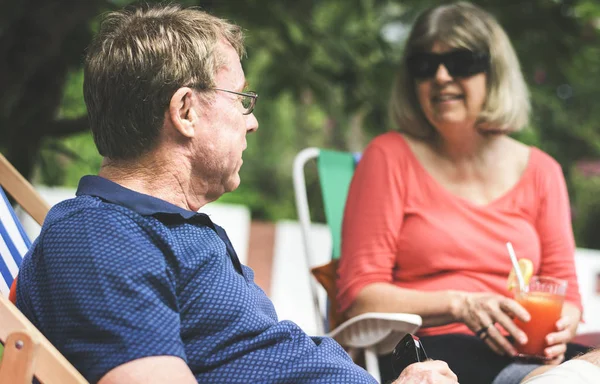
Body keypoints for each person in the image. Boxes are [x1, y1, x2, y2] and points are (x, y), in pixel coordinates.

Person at [14, 4, 460, 384]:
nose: (252, 120)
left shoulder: (159, 230)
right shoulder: (99, 238)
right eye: (241, 99)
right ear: (185, 111)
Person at [337, 2, 590, 384]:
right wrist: (462, 304)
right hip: (435, 350)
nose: (440, 76)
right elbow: (360, 298)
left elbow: (566, 294)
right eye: (424, 65)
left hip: (531, 353)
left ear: (496, 72)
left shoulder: (542, 171)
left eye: (460, 61)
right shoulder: (388, 157)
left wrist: (563, 324)